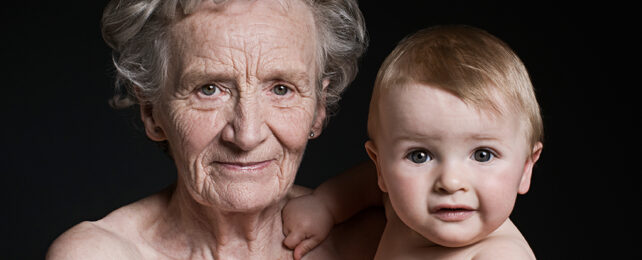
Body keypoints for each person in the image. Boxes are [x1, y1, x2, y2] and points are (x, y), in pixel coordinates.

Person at [45, 0, 385, 259]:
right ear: (152, 112)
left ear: (318, 109)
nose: (247, 134)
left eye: (281, 88)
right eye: (209, 89)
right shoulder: (99, 254)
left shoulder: (382, 242)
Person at [283, 25, 544, 259]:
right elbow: (368, 185)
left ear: (525, 168)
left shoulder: (498, 255)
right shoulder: (404, 211)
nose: (451, 182)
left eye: (482, 155)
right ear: (382, 168)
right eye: (420, 156)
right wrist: (326, 205)